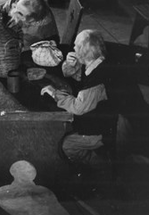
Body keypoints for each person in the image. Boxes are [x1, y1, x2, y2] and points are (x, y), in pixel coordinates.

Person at [41, 29, 113, 166]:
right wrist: (69, 64)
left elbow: (77, 107)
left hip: (104, 131)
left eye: (76, 46)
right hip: (101, 118)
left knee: (66, 145)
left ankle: (99, 165)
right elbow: (75, 75)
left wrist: (54, 93)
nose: (73, 48)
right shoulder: (96, 61)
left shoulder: (96, 81)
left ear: (84, 53)